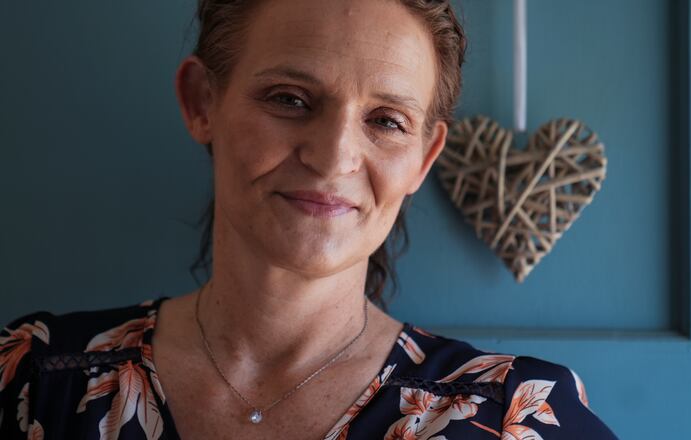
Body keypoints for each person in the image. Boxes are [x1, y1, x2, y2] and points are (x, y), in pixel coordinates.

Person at [0, 0, 618, 438]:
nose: (333, 157)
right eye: (290, 100)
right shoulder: (34, 380)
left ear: (424, 158)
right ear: (202, 102)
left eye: (386, 121)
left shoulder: (514, 419)